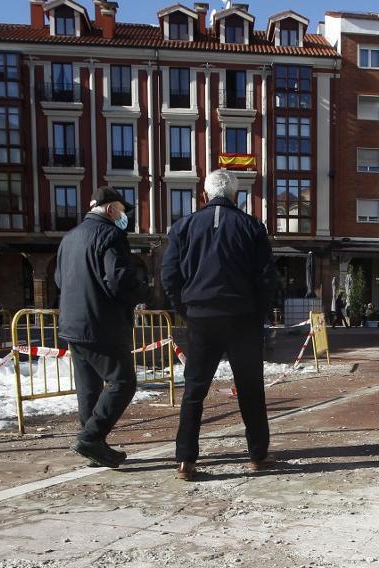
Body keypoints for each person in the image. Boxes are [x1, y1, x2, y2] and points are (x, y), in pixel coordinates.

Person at [162, 169, 277, 482]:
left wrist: (185, 309)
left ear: (204, 195)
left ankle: (186, 459)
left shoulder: (183, 227)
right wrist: (260, 315)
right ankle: (257, 455)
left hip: (201, 316)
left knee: (194, 390)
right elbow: (267, 279)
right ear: (235, 197)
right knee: (251, 389)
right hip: (243, 318)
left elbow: (169, 275)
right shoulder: (252, 227)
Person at [55, 185, 149, 469]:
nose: (124, 217)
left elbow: (60, 280)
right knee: (123, 382)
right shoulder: (111, 234)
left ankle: (92, 445)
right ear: (110, 209)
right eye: (122, 211)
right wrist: (143, 291)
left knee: (88, 388)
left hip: (72, 324)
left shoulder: (69, 238)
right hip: (101, 323)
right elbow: (118, 281)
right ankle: (92, 438)